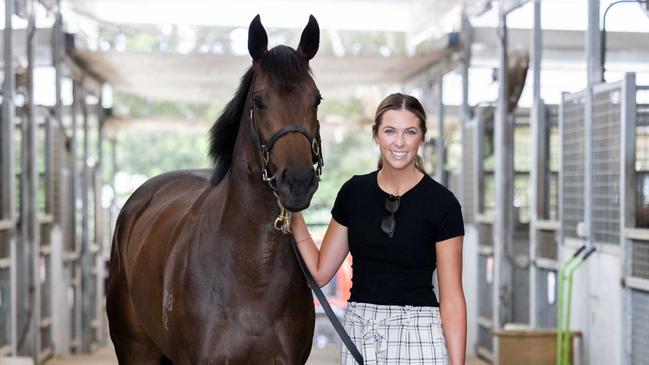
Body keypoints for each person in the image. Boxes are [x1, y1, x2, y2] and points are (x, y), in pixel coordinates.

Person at [291, 93, 466, 365]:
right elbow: (320, 271)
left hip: (420, 332)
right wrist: (293, 212)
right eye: (389, 131)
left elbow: (452, 297)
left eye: (410, 132)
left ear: (421, 138)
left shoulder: (442, 204)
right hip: (361, 331)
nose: (399, 142)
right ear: (376, 136)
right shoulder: (354, 192)